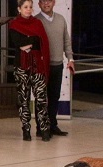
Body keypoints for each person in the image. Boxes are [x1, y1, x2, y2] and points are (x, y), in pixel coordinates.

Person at [9, 0, 51, 141]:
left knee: (41, 98)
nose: (28, 10)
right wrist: (31, 41)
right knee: (24, 99)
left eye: (30, 7)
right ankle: (26, 129)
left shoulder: (37, 24)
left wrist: (28, 42)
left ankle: (44, 129)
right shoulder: (14, 24)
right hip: (21, 67)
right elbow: (17, 43)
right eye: (25, 7)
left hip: (37, 66)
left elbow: (41, 42)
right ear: (19, 9)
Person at [36, 0, 72, 137]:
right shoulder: (36, 21)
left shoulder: (61, 19)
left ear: (54, 3)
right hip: (41, 67)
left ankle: (52, 125)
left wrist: (70, 58)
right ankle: (41, 127)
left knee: (54, 96)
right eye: (43, 1)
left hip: (57, 65)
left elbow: (66, 41)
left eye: (49, 1)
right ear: (39, 4)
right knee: (41, 98)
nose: (46, 4)